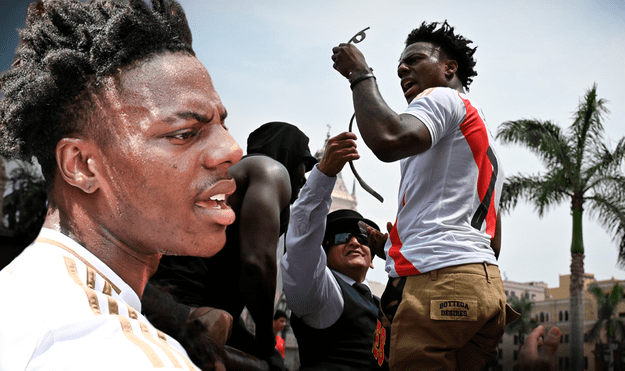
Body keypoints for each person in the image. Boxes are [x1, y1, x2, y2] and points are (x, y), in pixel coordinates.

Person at [0, 0, 248, 369]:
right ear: (82, 165)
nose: (231, 150)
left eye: (221, 125)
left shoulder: (23, 288)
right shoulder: (121, 353)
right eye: (184, 133)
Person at [331, 21, 509, 370]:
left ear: (448, 69)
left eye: (414, 59)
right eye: (401, 65)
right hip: (482, 285)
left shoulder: (440, 97)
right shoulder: (480, 135)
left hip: (439, 287)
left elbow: (389, 137)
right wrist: (391, 248)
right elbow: (492, 240)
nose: (401, 69)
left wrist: (360, 74)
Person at [145, 121, 316, 362]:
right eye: (305, 165)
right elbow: (256, 264)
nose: (304, 177)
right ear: (289, 154)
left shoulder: (232, 179)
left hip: (173, 298)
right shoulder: (271, 170)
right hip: (183, 303)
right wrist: (266, 336)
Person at [281, 132, 388, 370]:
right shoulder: (321, 293)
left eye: (362, 236)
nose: (354, 242)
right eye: (341, 237)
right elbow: (303, 241)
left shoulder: (381, 304)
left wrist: (391, 253)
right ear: (323, 255)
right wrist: (324, 175)